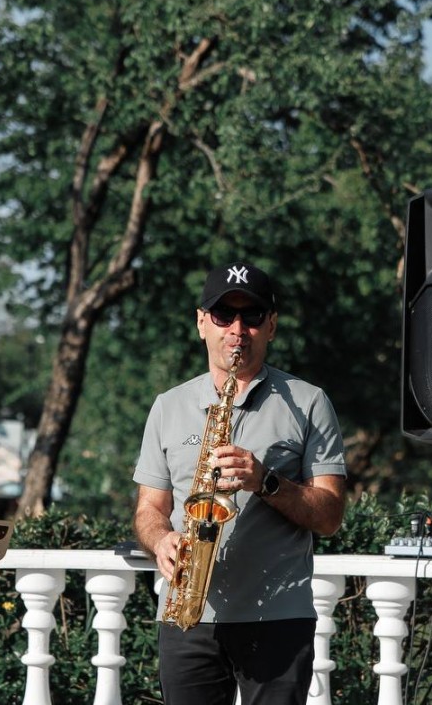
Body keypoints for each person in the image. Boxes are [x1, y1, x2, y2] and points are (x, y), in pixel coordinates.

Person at [133, 261, 347, 705]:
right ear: (201, 323)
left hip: (278, 619)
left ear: (271, 326)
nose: (237, 330)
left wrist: (265, 481)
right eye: (223, 316)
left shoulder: (309, 402)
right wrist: (161, 541)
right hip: (187, 615)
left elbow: (329, 515)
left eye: (251, 317)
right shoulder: (167, 406)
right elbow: (149, 510)